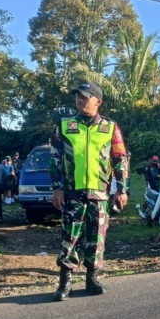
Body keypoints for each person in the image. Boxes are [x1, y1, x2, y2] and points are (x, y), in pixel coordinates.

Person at [50, 81, 129, 301]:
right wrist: (56, 189)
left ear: (98, 101)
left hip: (100, 194)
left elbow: (120, 159)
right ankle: (65, 282)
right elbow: (55, 159)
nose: (80, 100)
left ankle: (92, 278)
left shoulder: (110, 127)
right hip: (72, 194)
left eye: (85, 97)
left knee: (97, 237)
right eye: (78, 96)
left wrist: (122, 190)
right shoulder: (64, 125)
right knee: (70, 238)